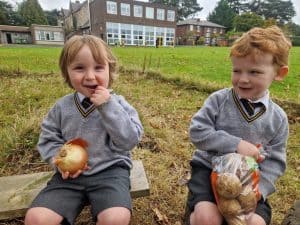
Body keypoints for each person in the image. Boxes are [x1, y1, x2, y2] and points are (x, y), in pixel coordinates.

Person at [24, 35, 144, 225]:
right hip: (69, 178)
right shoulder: (61, 107)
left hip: (110, 173)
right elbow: (48, 139)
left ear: (109, 71)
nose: (90, 76)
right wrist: (60, 162)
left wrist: (108, 107)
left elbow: (129, 140)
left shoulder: (119, 105)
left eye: (98, 67)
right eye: (79, 68)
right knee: (36, 218)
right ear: (67, 72)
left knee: (116, 218)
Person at [186, 26, 291, 225]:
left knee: (254, 222)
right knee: (208, 218)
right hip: (208, 169)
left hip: (251, 181)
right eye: (237, 70)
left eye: (254, 72)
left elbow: (276, 161)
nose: (243, 79)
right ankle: (193, 217)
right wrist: (236, 144)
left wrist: (259, 191)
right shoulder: (218, 101)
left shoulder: (278, 119)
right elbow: (198, 131)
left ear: (279, 73)